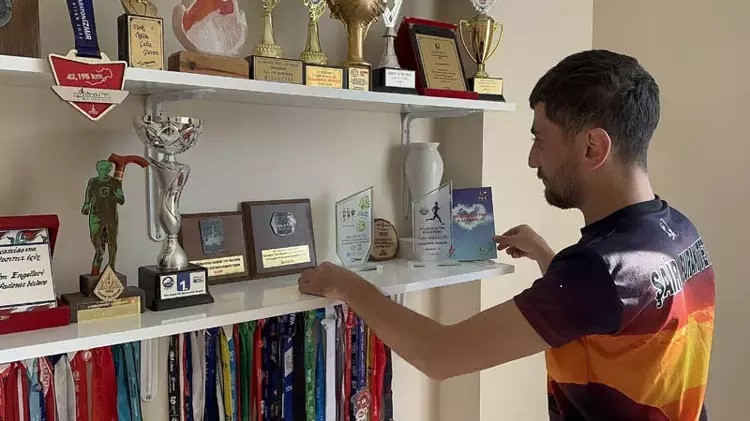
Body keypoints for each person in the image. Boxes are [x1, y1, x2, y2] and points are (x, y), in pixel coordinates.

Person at [298, 49, 715, 420]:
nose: (533, 159)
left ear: (592, 147)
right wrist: (545, 254)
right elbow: (613, 312)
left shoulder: (595, 272)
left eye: (540, 140)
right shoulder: (679, 231)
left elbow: (440, 355)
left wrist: (347, 284)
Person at [82, 159, 124, 276]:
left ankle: (112, 265)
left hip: (110, 216)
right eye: (102, 170)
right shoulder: (93, 182)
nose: (104, 172)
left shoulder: (115, 182)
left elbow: (121, 200)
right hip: (95, 215)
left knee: (112, 241)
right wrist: (86, 205)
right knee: (95, 239)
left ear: (109, 170)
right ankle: (99, 256)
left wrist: (117, 195)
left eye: (106, 170)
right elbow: (89, 194)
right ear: (98, 169)